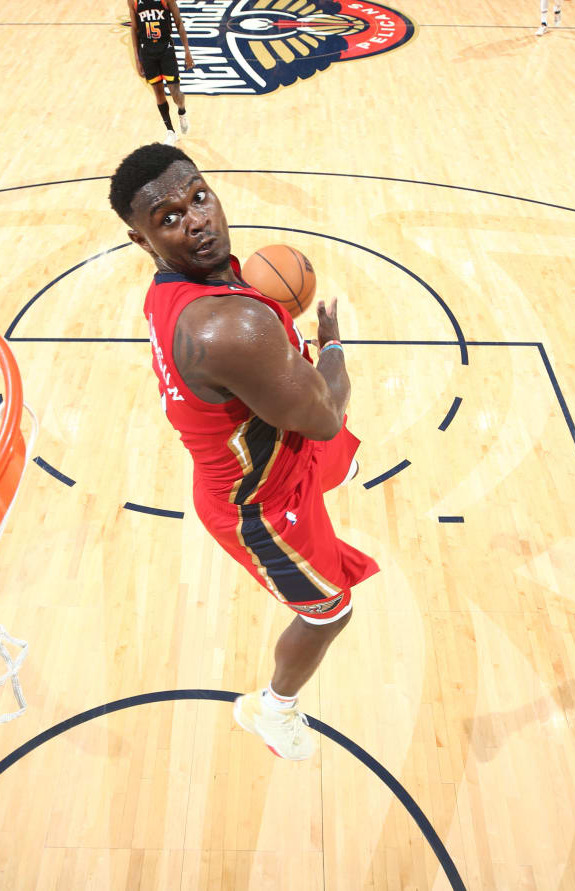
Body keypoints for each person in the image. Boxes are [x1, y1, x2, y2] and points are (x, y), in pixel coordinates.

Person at [108, 143, 379, 761]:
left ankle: (335, 472)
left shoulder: (178, 287)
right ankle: (272, 710)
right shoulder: (230, 327)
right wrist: (331, 347)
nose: (197, 220)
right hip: (259, 508)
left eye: (198, 197)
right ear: (141, 240)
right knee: (330, 613)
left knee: (330, 448)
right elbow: (324, 418)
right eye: (170, 218)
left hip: (270, 450)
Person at [128, 0, 193, 145]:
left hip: (165, 49)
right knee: (158, 93)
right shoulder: (133, 1)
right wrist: (137, 58)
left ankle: (182, 111)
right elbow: (134, 29)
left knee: (175, 92)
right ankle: (170, 131)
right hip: (147, 52)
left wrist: (187, 51)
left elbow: (179, 23)